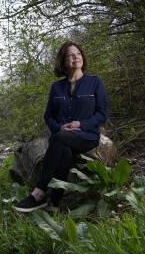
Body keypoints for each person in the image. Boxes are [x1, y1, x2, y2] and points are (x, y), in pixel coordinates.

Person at [13, 41, 109, 212]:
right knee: (63, 148)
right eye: (70, 55)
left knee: (58, 139)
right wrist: (60, 127)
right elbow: (48, 116)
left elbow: (102, 114)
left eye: (78, 53)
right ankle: (55, 204)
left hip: (86, 136)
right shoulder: (56, 88)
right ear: (63, 61)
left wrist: (81, 124)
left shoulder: (95, 82)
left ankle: (39, 192)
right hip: (63, 137)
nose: (76, 57)